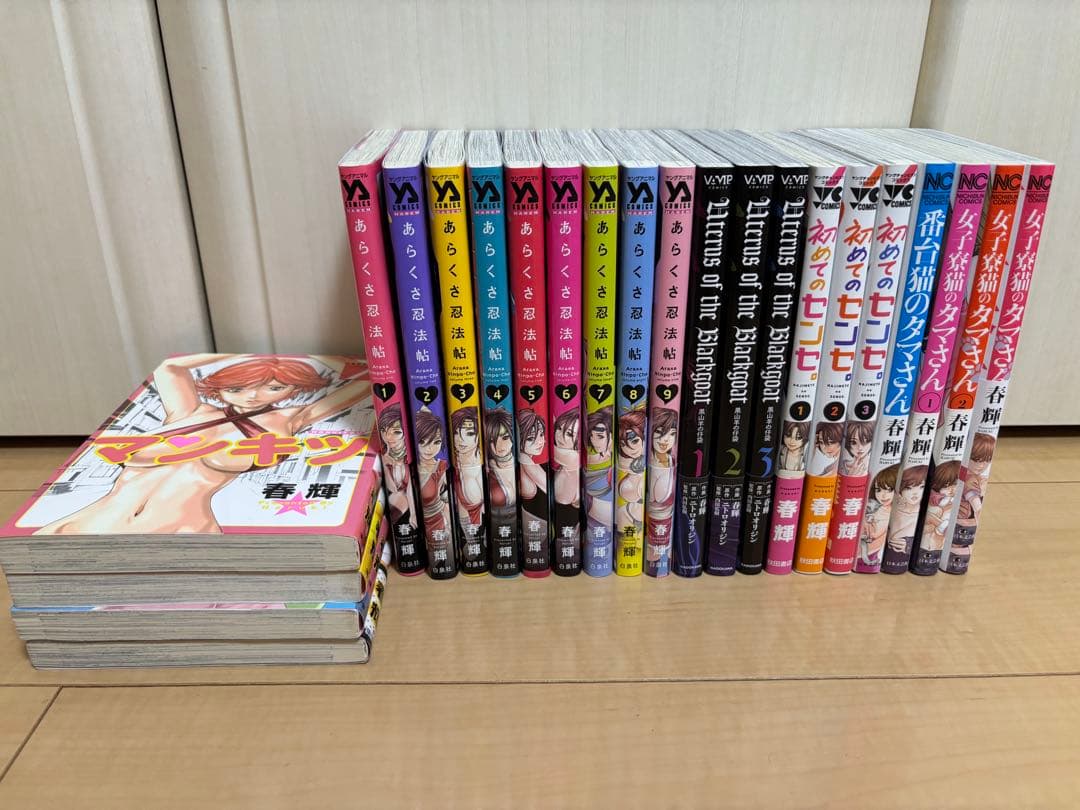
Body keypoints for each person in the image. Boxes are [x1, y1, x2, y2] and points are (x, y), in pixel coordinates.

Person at [36, 354, 369, 535]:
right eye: (236, 388)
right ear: (218, 387)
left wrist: (333, 364)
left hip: (186, 530)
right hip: (88, 522)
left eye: (273, 387)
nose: (253, 396)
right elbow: (171, 366)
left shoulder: (287, 420)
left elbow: (367, 380)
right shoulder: (189, 411)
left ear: (294, 389)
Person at [413, 408, 453, 568]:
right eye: (423, 441)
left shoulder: (441, 466)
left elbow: (445, 497)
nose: (429, 449)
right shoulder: (412, 467)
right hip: (420, 522)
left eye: (436, 442)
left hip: (439, 521)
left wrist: (449, 523)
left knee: (442, 558)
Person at [377, 403, 417, 538]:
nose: (389, 437)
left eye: (396, 432)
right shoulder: (385, 455)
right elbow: (392, 488)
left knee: (402, 496)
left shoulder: (410, 456)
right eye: (384, 431)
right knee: (398, 495)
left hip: (413, 495)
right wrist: (386, 462)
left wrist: (413, 514)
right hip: (395, 495)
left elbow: (410, 489)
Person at [517, 408, 549, 561]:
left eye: (541, 435)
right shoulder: (527, 462)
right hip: (536, 537)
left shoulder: (527, 461)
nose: (540, 442)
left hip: (538, 535)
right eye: (530, 438)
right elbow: (548, 489)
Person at [484, 408, 517, 548]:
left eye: (505, 437)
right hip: (496, 533)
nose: (499, 446)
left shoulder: (523, 465)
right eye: (492, 440)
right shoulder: (488, 470)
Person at [551, 409, 582, 560]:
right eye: (559, 428)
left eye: (569, 434)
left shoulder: (572, 457)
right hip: (562, 533)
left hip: (570, 537)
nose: (560, 436)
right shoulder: (564, 465)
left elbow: (546, 449)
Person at [646, 407, 678, 554]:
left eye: (672, 434)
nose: (665, 439)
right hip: (649, 522)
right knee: (653, 554)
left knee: (661, 554)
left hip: (667, 524)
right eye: (659, 432)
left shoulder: (672, 460)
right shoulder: (648, 462)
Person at [450, 406, 484, 537]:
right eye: (456, 433)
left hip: (482, 528)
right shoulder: (455, 462)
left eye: (469, 434)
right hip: (463, 529)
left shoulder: (480, 467)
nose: (461, 440)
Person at [857, 464, 897, 570]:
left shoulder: (893, 512)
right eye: (878, 490)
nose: (883, 496)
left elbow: (874, 534)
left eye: (889, 490)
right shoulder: (874, 506)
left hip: (873, 552)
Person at [584, 406, 614, 541]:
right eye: (591, 436)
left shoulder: (616, 461)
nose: (594, 442)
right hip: (593, 517)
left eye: (600, 436)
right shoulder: (590, 459)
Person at [885, 464, 928, 560]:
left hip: (908, 558)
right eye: (909, 488)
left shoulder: (925, 513)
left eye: (921, 486)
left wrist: (908, 545)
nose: (915, 493)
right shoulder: (892, 508)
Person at [616, 408, 647, 535]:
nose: (629, 449)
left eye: (634, 441)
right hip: (626, 516)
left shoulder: (645, 464)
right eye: (623, 444)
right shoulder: (624, 466)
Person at [922, 460, 960, 551]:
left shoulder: (955, 502)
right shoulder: (935, 501)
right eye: (945, 486)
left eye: (955, 484)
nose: (950, 489)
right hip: (929, 542)